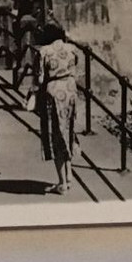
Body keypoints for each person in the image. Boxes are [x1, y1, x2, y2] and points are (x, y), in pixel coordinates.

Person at [35, 23, 80, 195]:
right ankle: (69, 177)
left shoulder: (44, 51)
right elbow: (76, 69)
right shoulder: (72, 49)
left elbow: (39, 79)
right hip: (70, 89)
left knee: (55, 135)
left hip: (53, 91)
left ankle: (61, 182)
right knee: (68, 132)